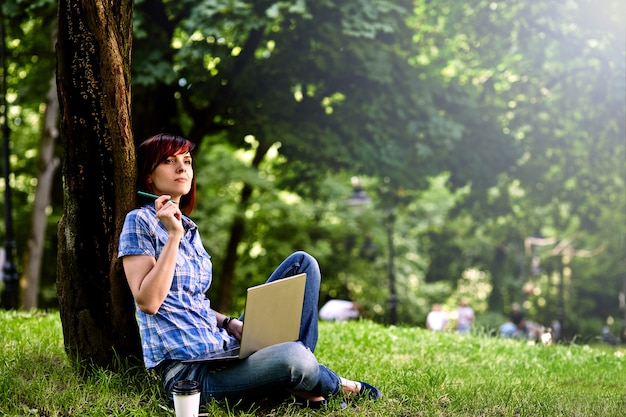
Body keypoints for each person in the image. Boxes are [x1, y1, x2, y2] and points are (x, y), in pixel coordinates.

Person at [117, 133, 381, 409]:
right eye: (169, 161)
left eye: (187, 160)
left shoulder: (191, 229)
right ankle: (329, 385)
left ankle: (295, 382)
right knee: (295, 357)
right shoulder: (140, 221)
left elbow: (191, 302)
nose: (182, 167)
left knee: (303, 265)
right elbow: (148, 302)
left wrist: (230, 323)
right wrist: (173, 235)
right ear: (149, 177)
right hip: (192, 374)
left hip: (224, 348)